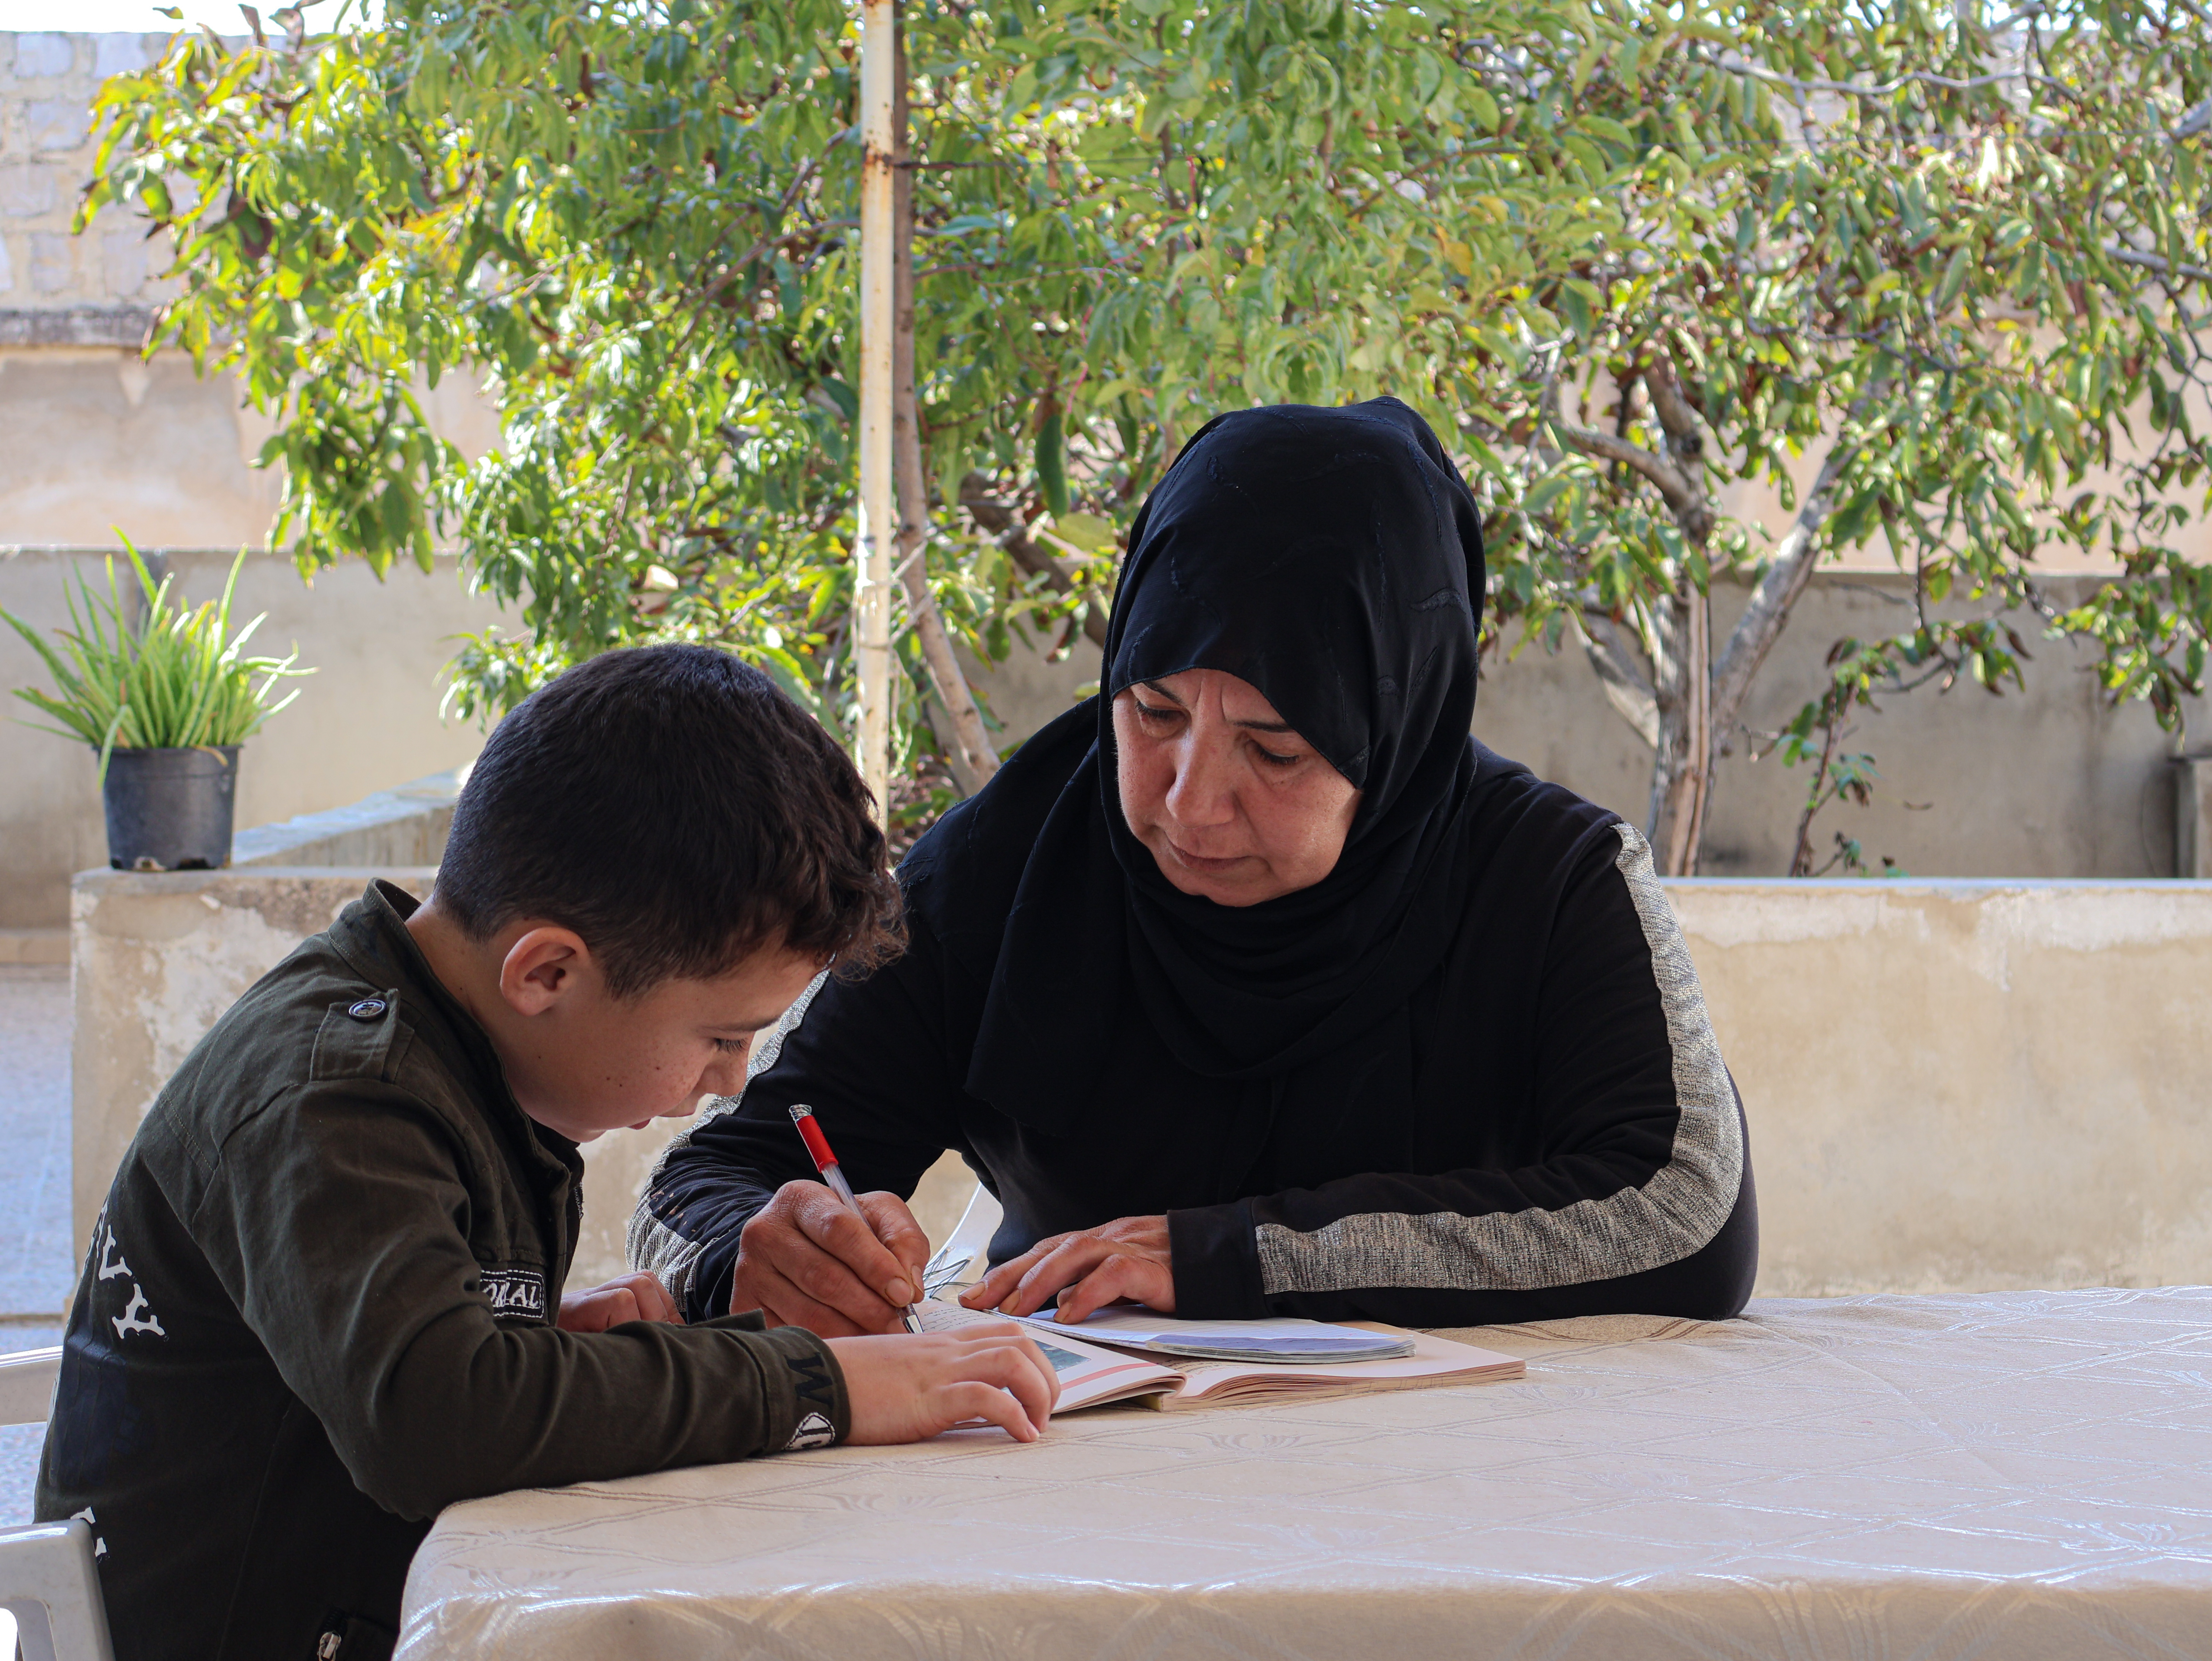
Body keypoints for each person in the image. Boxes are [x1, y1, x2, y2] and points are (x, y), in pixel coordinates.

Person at [632, 396, 1756, 1338]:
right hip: (1079, 1478)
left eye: (1274, 748)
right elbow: (701, 1180)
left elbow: (1684, 1209)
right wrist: (752, 1254)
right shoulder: (1010, 866)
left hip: (1469, 1491)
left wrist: (1235, 1259)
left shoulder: (1552, 882)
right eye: (1153, 710)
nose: (1186, 800)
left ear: (1398, 727)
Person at [36, 645, 1058, 1661]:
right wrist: (822, 1387)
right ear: (547, 972)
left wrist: (540, 1341)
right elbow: (439, 1424)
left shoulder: (453, 1057)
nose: (733, 1081)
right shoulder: (338, 1093)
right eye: (719, 1036)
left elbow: (388, 1362)